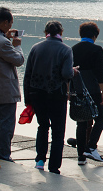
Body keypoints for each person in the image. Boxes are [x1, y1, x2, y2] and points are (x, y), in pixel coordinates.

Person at [24, 20, 76, 174]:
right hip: (57, 94)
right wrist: (73, 71)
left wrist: (28, 99)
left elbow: (27, 75)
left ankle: (40, 160)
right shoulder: (66, 50)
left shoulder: (35, 48)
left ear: (45, 32)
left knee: (43, 126)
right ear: (61, 32)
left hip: (37, 93)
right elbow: (67, 74)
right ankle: (54, 166)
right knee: (58, 132)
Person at [0, 7, 24, 162]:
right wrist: (17, 45)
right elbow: (19, 60)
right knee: (6, 124)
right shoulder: (2, 43)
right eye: (10, 23)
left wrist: (6, 38)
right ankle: (3, 154)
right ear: (6, 22)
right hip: (6, 89)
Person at [71, 21, 103, 164]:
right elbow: (100, 72)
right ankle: (91, 146)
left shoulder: (72, 49)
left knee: (81, 122)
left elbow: (69, 72)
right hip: (92, 90)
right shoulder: (97, 50)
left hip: (78, 90)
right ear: (95, 36)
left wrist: (70, 91)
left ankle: (81, 156)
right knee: (100, 118)